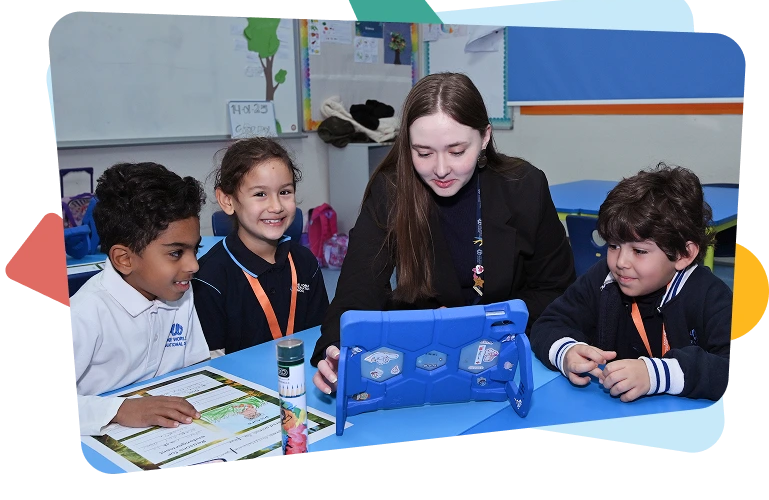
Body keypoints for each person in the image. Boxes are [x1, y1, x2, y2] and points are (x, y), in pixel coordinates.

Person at [311, 72, 576, 393]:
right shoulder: (390, 190)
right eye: (423, 153)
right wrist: (336, 351)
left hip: (506, 357)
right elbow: (356, 292)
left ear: (485, 137)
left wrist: (479, 323)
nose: (440, 169)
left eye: (456, 151)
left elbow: (556, 290)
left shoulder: (524, 186)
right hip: (421, 358)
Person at [530, 162, 732, 403]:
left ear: (683, 254)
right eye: (613, 246)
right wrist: (567, 352)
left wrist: (655, 374)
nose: (621, 262)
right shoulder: (603, 278)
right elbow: (548, 324)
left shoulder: (711, 296)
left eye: (639, 251)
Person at [72, 162, 211, 436]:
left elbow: (196, 366)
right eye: (176, 253)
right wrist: (119, 410)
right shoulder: (83, 313)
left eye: (195, 249)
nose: (194, 265)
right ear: (124, 259)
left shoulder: (179, 292)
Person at [192, 137, 329, 356]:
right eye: (260, 194)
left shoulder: (305, 262)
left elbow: (321, 335)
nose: (276, 206)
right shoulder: (209, 278)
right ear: (227, 200)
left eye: (285, 192)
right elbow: (211, 363)